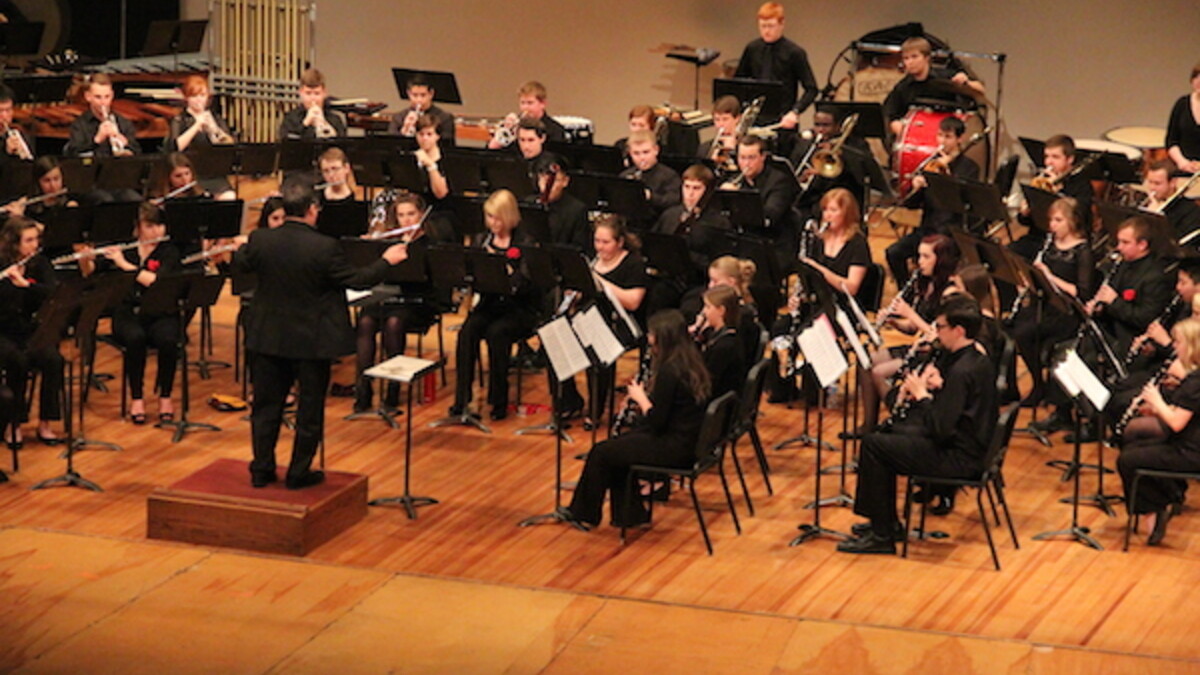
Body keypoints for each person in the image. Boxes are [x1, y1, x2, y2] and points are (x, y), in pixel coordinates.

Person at [230, 174, 406, 489]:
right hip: (310, 340)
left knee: (266, 407)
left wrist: (240, 247)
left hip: (267, 335)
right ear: (313, 209)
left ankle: (261, 469)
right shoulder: (324, 247)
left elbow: (241, 265)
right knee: (309, 409)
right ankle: (298, 473)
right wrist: (386, 260)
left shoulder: (262, 240)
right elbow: (358, 279)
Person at [838, 295, 997, 554]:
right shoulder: (973, 360)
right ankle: (886, 521)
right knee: (885, 434)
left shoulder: (961, 371)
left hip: (959, 458)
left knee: (874, 445)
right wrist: (938, 387)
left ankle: (883, 536)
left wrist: (923, 395)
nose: (937, 332)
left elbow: (941, 430)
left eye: (942, 327)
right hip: (968, 445)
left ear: (958, 330)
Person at [557, 309, 711, 530]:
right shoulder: (691, 360)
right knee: (618, 449)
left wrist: (641, 399)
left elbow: (657, 421)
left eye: (651, 335)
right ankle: (629, 514)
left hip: (675, 447)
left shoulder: (670, 371)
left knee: (601, 452)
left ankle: (583, 513)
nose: (648, 339)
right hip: (687, 439)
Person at [1034, 217, 1174, 434]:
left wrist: (1114, 302)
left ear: (1142, 245)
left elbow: (1145, 319)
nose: (1119, 247)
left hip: (1129, 337)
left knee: (1089, 360)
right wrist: (1099, 308)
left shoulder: (1155, 276)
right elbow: (1109, 303)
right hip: (1109, 328)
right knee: (1063, 352)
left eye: (1125, 242)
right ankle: (1063, 414)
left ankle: (1095, 423)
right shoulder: (1121, 265)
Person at [449, 189, 544, 421]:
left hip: (519, 308)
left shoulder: (526, 243)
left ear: (509, 216)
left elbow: (527, 286)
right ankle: (462, 399)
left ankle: (498, 401)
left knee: (497, 334)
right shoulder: (482, 240)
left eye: (497, 218)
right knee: (467, 332)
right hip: (491, 303)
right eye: (489, 217)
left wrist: (508, 272)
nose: (493, 223)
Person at [354, 192, 451, 412]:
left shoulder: (431, 243)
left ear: (421, 216)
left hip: (419, 301)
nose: (406, 221)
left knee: (394, 323)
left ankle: (393, 390)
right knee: (366, 321)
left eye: (411, 215)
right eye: (401, 215)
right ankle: (363, 390)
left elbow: (437, 281)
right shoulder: (389, 242)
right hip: (388, 297)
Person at [771, 188, 870, 402]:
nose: (827, 215)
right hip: (815, 304)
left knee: (809, 332)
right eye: (825, 210)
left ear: (847, 213)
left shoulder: (857, 244)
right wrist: (797, 295)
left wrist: (819, 270)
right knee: (778, 327)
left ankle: (814, 388)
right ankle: (782, 388)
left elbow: (851, 287)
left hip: (840, 310)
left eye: (833, 210)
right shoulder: (817, 240)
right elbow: (807, 278)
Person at [92, 203, 181, 425]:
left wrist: (124, 265)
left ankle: (165, 396)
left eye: (160, 225)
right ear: (137, 228)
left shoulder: (170, 252)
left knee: (169, 341)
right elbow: (91, 273)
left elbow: (155, 282)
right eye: (150, 226)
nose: (157, 232)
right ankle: (137, 398)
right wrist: (86, 257)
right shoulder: (127, 250)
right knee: (135, 339)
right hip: (128, 313)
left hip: (161, 312)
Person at [1117, 318, 1200, 546]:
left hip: (1191, 452)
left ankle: (1154, 511)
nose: (1174, 347)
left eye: (1179, 342)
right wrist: (1155, 410)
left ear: (1191, 346)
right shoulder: (1194, 379)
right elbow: (1184, 411)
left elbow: (1176, 424)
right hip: (1187, 444)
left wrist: (1156, 400)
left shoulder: (1196, 381)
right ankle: (1160, 505)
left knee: (1129, 459)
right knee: (1135, 448)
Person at [558, 215, 650, 419]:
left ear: (620, 242)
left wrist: (600, 282)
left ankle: (596, 410)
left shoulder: (633, 264)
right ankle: (569, 400)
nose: (600, 247)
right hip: (590, 319)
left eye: (606, 242)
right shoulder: (594, 260)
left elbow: (633, 301)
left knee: (597, 351)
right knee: (557, 346)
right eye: (597, 241)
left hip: (622, 325)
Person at [1009, 197, 1092, 407]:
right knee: (1016, 329)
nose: (1052, 225)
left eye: (1058, 220)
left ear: (1072, 222)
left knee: (1027, 333)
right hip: (1045, 304)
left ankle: (1045, 388)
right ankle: (1038, 383)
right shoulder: (1049, 244)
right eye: (1051, 220)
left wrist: (1048, 276)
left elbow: (1080, 291)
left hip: (1067, 312)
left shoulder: (1083, 251)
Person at [885, 116, 981, 284]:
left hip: (951, 233)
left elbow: (966, 204)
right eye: (940, 135)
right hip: (928, 229)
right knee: (893, 252)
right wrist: (915, 187)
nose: (942, 141)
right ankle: (908, 292)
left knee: (937, 263)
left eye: (948, 137)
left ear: (960, 139)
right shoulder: (929, 163)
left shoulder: (969, 168)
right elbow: (910, 204)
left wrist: (945, 178)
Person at [0, 216, 64, 448]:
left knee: (53, 360)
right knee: (17, 361)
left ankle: (45, 423)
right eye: (28, 240)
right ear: (14, 243)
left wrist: (27, 286)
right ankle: (13, 423)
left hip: (30, 329)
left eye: (36, 239)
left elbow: (52, 293)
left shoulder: (40, 264)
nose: (34, 245)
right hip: (3, 332)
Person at [733, 2, 818, 128]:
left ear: (782, 24)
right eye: (763, 26)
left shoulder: (795, 52)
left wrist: (795, 112)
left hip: (783, 120)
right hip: (754, 119)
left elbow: (811, 89)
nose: (766, 31)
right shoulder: (752, 49)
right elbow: (738, 82)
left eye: (771, 26)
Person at [1011, 134, 1094, 260]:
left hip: (1063, 245)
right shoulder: (1041, 180)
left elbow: (1080, 220)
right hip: (1037, 238)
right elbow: (1024, 222)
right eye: (1047, 156)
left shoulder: (1081, 185)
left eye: (1055, 157)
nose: (1048, 162)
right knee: (1007, 255)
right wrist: (1025, 213)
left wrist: (1059, 192)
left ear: (1070, 159)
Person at [882, 37, 984, 137]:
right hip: (916, 139)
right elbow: (891, 114)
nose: (910, 62)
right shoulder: (903, 86)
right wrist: (898, 128)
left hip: (945, 136)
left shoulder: (945, 76)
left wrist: (967, 82)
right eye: (906, 58)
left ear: (927, 58)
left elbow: (980, 90)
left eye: (914, 57)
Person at [64, 73, 141, 157]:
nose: (103, 102)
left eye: (107, 96)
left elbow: (137, 154)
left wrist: (125, 143)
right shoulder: (79, 125)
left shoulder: (124, 123)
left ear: (112, 95)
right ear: (88, 96)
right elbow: (72, 154)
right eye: (98, 97)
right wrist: (97, 140)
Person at [619, 130, 681, 225]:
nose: (642, 157)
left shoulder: (669, 176)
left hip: (657, 224)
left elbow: (674, 201)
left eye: (646, 152)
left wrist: (650, 196)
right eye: (636, 153)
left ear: (656, 150)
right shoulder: (625, 175)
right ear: (630, 153)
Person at [163, 75, 235, 153]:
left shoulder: (215, 117)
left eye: (202, 95)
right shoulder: (179, 119)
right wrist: (197, 124)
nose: (199, 100)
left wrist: (216, 130)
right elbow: (176, 147)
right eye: (194, 96)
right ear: (186, 97)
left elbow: (229, 143)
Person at [532, 155, 589, 251]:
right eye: (543, 179)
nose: (547, 186)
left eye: (555, 181)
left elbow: (578, 247)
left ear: (565, 181)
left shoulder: (577, 210)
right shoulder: (529, 203)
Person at [487, 80, 567, 149]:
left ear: (543, 104)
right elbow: (490, 151)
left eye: (530, 103)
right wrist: (505, 132)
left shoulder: (555, 130)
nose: (525, 108)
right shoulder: (513, 125)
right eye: (522, 103)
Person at [699, 284, 746, 399]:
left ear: (721, 310)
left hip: (716, 402)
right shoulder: (716, 334)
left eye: (708, 307)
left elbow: (707, 383)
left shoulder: (725, 346)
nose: (704, 312)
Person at [279, 68, 347, 141]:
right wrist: (305, 123)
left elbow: (342, 146)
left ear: (324, 93)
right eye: (308, 93)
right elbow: (287, 143)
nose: (312, 98)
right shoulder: (291, 118)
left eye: (317, 93)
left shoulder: (335, 119)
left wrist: (324, 123)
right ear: (300, 92)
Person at [387, 73, 455, 144]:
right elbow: (391, 142)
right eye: (415, 95)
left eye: (423, 95)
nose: (419, 100)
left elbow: (447, 144)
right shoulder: (398, 117)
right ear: (408, 93)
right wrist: (404, 130)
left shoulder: (444, 118)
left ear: (431, 93)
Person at [1143, 160, 1200, 242]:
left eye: (1157, 183)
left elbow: (1177, 244)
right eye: (1150, 182)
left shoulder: (1190, 210)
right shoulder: (1143, 202)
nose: (1152, 188)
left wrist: (1154, 217)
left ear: (1173, 182)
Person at [1166, 62, 1200, 174]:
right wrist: (1183, 163)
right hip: (1182, 169)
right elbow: (1171, 141)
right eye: (1196, 76)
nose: (1199, 80)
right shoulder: (1182, 104)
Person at [696, 95, 742, 174]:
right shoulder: (705, 148)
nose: (720, 124)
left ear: (737, 119)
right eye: (717, 120)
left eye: (725, 119)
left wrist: (733, 151)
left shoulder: (745, 146)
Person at [0, 84, 34, 169]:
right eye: (0, 111)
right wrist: (6, 153)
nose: (4, 116)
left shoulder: (20, 135)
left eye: (8, 110)